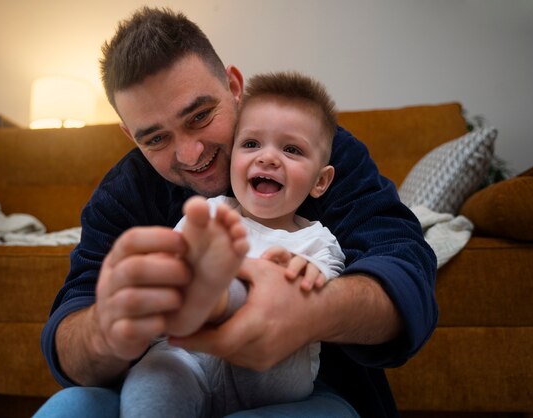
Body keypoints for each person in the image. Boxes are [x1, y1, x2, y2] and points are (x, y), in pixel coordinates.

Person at [35, 7, 437, 418]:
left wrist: (313, 310)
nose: (190, 154)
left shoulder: (313, 151)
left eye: (200, 116)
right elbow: (69, 332)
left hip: (306, 394)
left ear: (234, 86)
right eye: (156, 138)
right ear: (128, 135)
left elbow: (405, 266)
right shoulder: (121, 195)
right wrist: (107, 329)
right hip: (171, 380)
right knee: (68, 407)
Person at [119, 71, 347, 417]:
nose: (267, 158)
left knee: (261, 285)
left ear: (320, 181)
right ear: (233, 157)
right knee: (153, 378)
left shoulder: (318, 241)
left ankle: (217, 291)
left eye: (291, 149)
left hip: (268, 372)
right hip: (187, 357)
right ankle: (203, 294)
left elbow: (327, 302)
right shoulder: (209, 214)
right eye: (251, 144)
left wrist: (308, 278)